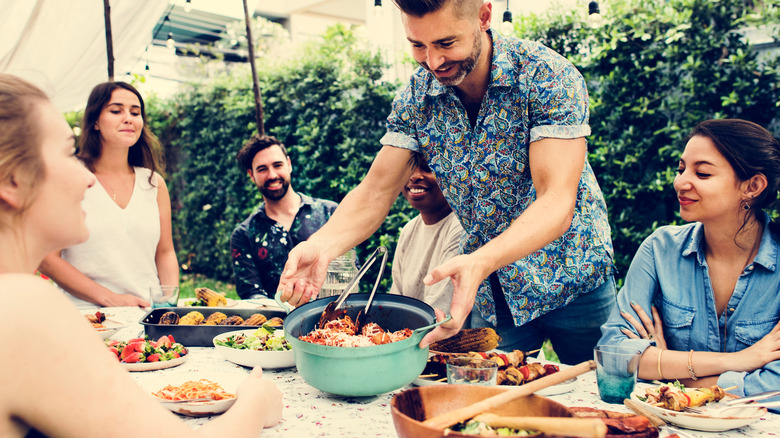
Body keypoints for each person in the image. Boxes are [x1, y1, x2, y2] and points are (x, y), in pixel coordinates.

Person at [276, 0, 615, 364]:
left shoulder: (547, 75)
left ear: (484, 17)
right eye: (418, 45)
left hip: (574, 280)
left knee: (605, 399)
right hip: (493, 291)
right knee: (492, 406)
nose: (433, 61)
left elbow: (556, 201)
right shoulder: (417, 97)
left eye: (445, 43)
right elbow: (376, 191)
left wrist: (479, 261)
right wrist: (323, 245)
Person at [0, 73, 282, 438]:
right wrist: (256, 401)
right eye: (67, 153)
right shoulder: (24, 308)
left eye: (135, 111)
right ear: (11, 181)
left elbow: (166, 250)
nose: (86, 179)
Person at [598, 119, 780, 398]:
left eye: (703, 174)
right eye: (681, 169)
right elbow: (615, 353)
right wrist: (739, 361)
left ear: (752, 186)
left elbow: (775, 387)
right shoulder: (659, 250)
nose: (681, 182)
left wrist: (669, 370)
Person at [38, 81, 178, 308]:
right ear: (95, 121)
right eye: (116, 111)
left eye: (135, 112)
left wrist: (168, 304)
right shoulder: (69, 176)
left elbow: (165, 252)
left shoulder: (154, 183)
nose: (128, 118)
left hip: (145, 315)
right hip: (86, 317)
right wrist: (110, 298)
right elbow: (47, 259)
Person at [231, 135, 337, 300]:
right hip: (275, 323)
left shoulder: (330, 213)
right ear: (251, 175)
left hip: (333, 319)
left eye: (277, 165)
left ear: (289, 164)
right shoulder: (243, 235)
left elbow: (350, 271)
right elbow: (251, 295)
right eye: (262, 169)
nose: (272, 175)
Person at [389, 153, 465, 313]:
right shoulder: (408, 231)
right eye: (409, 169)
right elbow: (396, 299)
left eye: (428, 168)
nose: (414, 177)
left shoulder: (461, 227)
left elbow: (439, 311)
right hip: (408, 332)